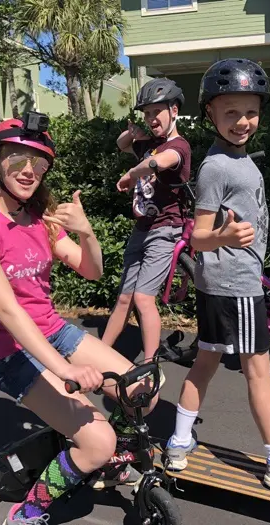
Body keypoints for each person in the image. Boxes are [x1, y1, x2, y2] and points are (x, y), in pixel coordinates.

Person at [0, 114, 158, 525]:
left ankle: (102, 454)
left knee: (142, 390)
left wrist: (86, 232)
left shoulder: (41, 219)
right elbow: (7, 311)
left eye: (39, 163)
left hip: (51, 332)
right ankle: (29, 509)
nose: (29, 170)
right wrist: (65, 369)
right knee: (98, 441)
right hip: (8, 352)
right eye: (17, 158)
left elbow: (92, 270)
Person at [163, 59, 270, 491]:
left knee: (206, 362)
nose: (242, 121)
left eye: (250, 111)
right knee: (258, 371)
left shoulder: (238, 159)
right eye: (230, 112)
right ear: (210, 113)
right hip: (236, 285)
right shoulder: (217, 167)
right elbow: (195, 238)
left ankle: (178, 444)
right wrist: (225, 236)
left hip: (220, 284)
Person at [101, 78, 192, 370]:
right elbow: (121, 144)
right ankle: (99, 353)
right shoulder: (148, 144)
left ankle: (150, 365)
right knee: (124, 297)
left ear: (174, 110)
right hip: (142, 228)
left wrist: (131, 174)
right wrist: (133, 133)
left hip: (166, 229)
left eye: (157, 112)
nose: (152, 119)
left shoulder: (179, 146)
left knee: (142, 297)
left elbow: (159, 163)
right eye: (147, 113)